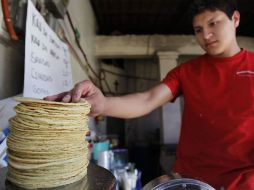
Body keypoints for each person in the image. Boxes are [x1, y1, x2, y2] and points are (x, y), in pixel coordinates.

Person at [45, 0, 254, 189]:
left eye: (213, 23)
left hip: (244, 181)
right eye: (198, 29)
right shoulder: (187, 71)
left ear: (235, 19)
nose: (205, 35)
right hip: (191, 181)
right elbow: (147, 100)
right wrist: (103, 104)